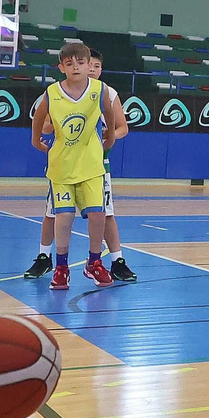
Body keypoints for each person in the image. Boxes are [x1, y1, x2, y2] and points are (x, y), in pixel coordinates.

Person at [22, 49, 133, 282]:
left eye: (89, 64)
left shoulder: (105, 91)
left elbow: (118, 124)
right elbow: (43, 121)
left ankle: (106, 260)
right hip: (62, 163)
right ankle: (52, 261)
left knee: (102, 213)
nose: (84, 68)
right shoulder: (53, 93)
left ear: (97, 67)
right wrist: (38, 139)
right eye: (72, 63)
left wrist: (109, 138)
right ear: (62, 67)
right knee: (58, 214)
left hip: (94, 162)